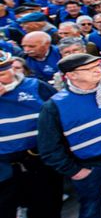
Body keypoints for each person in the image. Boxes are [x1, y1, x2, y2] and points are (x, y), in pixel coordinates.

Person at [38, 53, 101, 218]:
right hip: (89, 166)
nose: (97, 71)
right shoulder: (55, 106)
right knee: (91, 206)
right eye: (89, 68)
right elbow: (49, 147)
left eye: (98, 66)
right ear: (71, 75)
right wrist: (73, 170)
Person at [0, 51, 63, 218]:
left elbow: (60, 114)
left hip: (38, 159)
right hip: (3, 167)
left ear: (13, 70)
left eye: (2, 74)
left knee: (46, 205)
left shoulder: (35, 86)